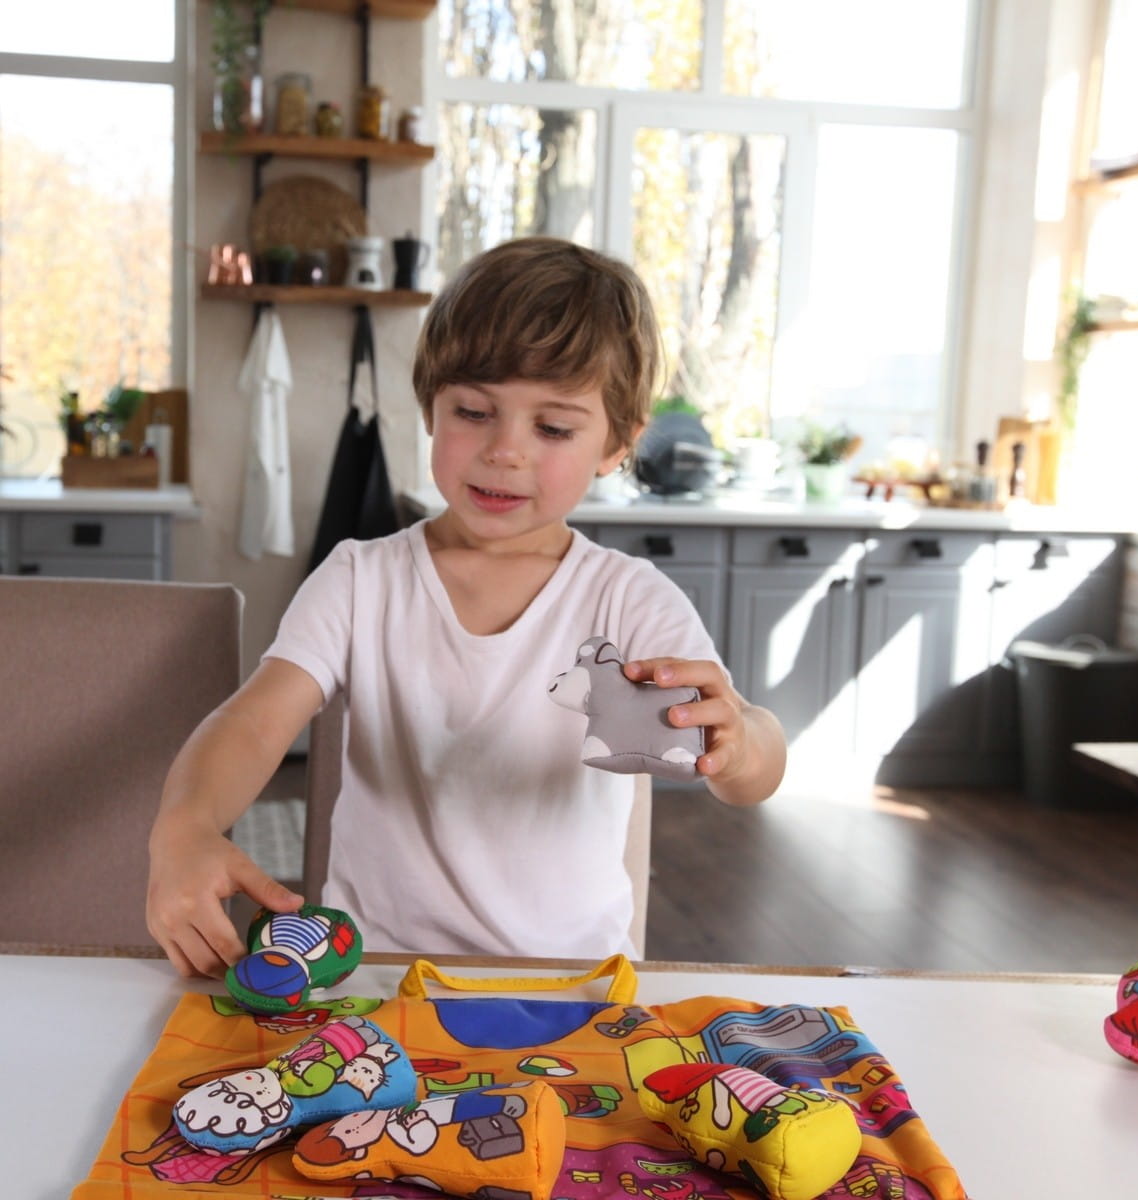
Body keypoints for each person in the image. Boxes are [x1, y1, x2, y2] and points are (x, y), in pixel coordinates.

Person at [147, 236, 787, 978]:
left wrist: (741, 746)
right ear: (430, 405)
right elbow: (253, 723)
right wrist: (185, 825)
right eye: (475, 411)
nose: (504, 450)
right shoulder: (359, 580)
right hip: (381, 979)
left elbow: (755, 753)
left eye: (553, 428)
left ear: (617, 443)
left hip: (571, 987)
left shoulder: (628, 597)